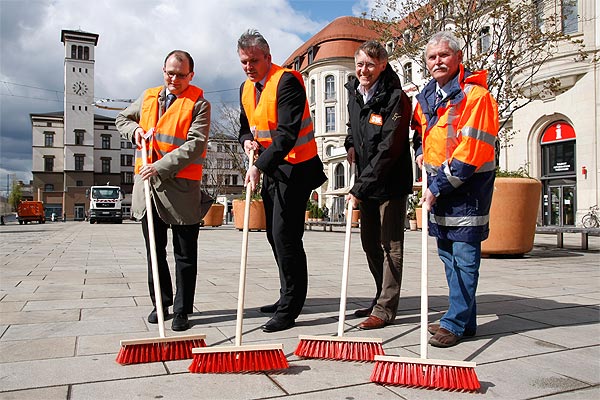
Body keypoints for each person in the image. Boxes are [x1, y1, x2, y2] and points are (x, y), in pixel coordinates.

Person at [236, 29, 327, 333]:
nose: (249, 67)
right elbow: (244, 127)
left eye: (254, 61)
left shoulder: (287, 81)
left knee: (286, 236)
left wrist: (258, 166)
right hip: (273, 168)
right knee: (274, 236)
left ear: (268, 58)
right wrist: (247, 141)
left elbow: (287, 135)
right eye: (244, 62)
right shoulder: (246, 89)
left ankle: (290, 306)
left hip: (296, 167)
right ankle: (285, 294)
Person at [412, 31, 498, 347]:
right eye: (432, 57)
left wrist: (436, 187)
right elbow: (425, 137)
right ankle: (464, 319)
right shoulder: (428, 98)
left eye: (443, 55)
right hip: (441, 191)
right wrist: (420, 154)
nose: (438, 62)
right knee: (449, 257)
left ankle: (455, 322)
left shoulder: (476, 97)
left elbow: (469, 153)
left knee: (464, 259)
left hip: (467, 191)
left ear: (458, 58)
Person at [116, 50, 211, 332]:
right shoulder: (148, 97)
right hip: (147, 191)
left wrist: (160, 166)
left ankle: (182, 309)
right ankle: (161, 302)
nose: (174, 79)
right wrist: (134, 131)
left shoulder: (199, 104)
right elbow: (122, 119)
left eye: (181, 75)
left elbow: (195, 145)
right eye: (170, 72)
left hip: (181, 191)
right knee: (154, 252)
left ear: (190, 75)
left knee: (184, 254)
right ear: (163, 71)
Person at [344, 41, 413, 330]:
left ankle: (385, 308)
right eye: (360, 64)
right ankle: (378, 296)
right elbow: (354, 126)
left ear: (382, 65)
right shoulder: (354, 93)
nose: (364, 70)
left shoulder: (395, 98)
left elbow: (389, 149)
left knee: (390, 246)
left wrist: (358, 189)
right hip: (366, 180)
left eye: (370, 65)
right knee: (369, 244)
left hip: (391, 183)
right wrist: (350, 143)